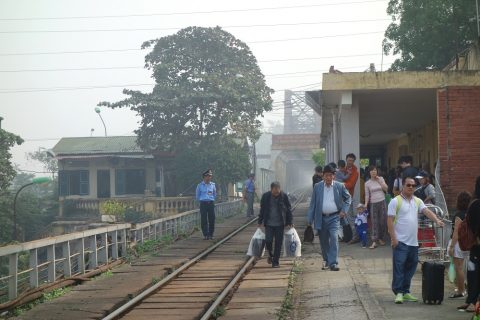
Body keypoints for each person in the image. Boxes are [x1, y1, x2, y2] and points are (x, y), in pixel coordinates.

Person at [387, 176, 444, 304]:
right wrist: (393, 238)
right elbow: (389, 221)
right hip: (400, 241)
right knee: (399, 267)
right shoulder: (395, 201)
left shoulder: (417, 201)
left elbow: (427, 211)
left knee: (411, 267)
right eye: (408, 185)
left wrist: (437, 220)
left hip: (413, 242)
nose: (411, 187)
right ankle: (399, 292)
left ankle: (406, 291)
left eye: (413, 185)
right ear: (403, 186)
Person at [307, 165, 352, 271]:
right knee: (323, 241)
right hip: (321, 218)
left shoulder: (339, 186)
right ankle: (326, 260)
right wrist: (309, 220)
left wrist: (344, 211)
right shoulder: (317, 187)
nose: (328, 178)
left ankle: (333, 263)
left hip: (334, 217)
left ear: (333, 176)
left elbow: (348, 198)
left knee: (334, 238)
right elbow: (313, 204)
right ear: (323, 176)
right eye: (326, 175)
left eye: (330, 175)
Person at [258, 181, 293, 268]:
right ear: (271, 189)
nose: (277, 192)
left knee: (278, 243)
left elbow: (288, 209)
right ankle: (271, 254)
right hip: (269, 223)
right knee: (268, 240)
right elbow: (262, 209)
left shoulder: (284, 196)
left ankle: (276, 262)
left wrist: (290, 221)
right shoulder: (266, 196)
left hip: (280, 224)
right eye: (275, 190)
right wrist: (260, 221)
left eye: (278, 190)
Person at [448, 191, 471, 300]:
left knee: (459, 268)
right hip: (469, 243)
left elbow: (456, 232)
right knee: (469, 267)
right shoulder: (471, 213)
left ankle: (461, 291)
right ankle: (468, 289)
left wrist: (452, 246)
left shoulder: (459, 215)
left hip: (459, 244)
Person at [458, 199, 480, 312]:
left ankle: (472, 301)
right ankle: (472, 301)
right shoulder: (476, 204)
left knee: (472, 274)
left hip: (474, 247)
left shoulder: (474, 203)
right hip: (476, 246)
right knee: (473, 274)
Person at [365, 165, 388, 249]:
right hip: (373, 203)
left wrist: (380, 181)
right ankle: (374, 240)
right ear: (369, 172)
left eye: (375, 170)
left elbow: (386, 189)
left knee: (383, 221)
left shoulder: (381, 179)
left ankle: (381, 238)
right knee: (374, 222)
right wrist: (365, 204)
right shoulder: (367, 183)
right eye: (372, 170)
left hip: (382, 201)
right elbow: (367, 195)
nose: (373, 172)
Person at [343, 153, 360, 244]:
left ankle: (356, 236)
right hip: (341, 196)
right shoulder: (343, 169)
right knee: (344, 217)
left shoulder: (355, 172)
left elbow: (351, 184)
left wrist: (340, 184)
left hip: (348, 197)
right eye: (349, 160)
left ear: (354, 161)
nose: (350, 162)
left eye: (352, 161)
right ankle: (346, 236)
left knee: (350, 217)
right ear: (346, 160)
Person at [196, 169, 217, 240]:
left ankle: (211, 234)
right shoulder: (199, 186)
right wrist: (202, 200)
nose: (209, 178)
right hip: (203, 204)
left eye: (210, 176)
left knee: (212, 219)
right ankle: (205, 234)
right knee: (204, 219)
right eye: (208, 176)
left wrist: (211, 200)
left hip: (210, 203)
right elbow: (197, 196)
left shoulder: (213, 185)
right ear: (204, 177)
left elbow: (214, 194)